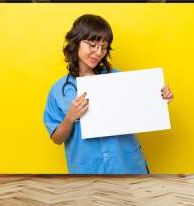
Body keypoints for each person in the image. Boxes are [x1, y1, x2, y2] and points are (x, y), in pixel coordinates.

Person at [43, 14, 173, 174]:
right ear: (76, 42)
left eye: (103, 47)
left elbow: (141, 108)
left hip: (127, 164)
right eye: (92, 45)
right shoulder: (58, 90)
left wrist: (160, 98)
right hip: (88, 170)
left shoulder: (117, 77)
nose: (98, 53)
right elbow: (57, 139)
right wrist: (70, 117)